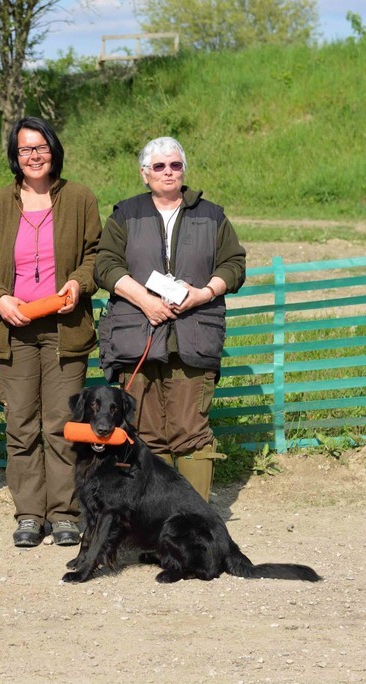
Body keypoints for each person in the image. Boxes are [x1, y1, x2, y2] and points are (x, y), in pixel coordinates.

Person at [0, 116, 101, 548]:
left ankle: (64, 514)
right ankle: (29, 513)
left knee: (62, 424)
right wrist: (0, 299)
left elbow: (96, 255)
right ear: (15, 156)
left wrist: (78, 283)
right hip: (15, 331)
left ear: (54, 150)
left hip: (65, 329)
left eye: (41, 147)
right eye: (25, 149)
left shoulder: (80, 199)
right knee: (22, 424)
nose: (34, 156)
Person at [94, 136, 247, 502]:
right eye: (159, 166)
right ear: (145, 174)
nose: (168, 172)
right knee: (145, 434)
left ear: (184, 170)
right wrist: (145, 300)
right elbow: (104, 266)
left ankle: (195, 526)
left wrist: (203, 293)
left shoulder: (211, 215)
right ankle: (155, 523)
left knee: (190, 432)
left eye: (175, 165)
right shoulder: (125, 215)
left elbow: (234, 265)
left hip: (193, 338)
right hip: (137, 339)